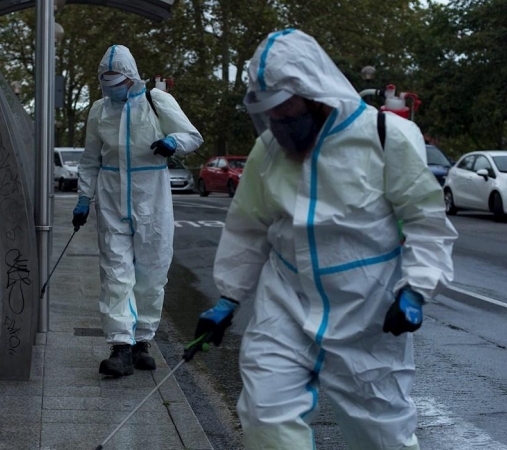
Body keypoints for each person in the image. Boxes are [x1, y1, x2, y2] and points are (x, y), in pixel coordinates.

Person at [193, 30, 457, 449]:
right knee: (265, 415)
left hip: (366, 312)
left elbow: (425, 219)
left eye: (286, 112)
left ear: (314, 95)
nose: (279, 125)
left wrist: (417, 289)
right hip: (287, 307)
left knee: (380, 436)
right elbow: (247, 226)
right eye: (270, 117)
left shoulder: (386, 137)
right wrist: (229, 296)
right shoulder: (268, 150)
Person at [75, 45, 203, 377]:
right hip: (113, 197)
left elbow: (191, 135)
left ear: (131, 78)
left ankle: (142, 340)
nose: (111, 87)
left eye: (116, 81)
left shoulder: (157, 101)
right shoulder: (99, 110)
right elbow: (90, 160)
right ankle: (120, 346)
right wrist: (83, 199)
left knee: (151, 273)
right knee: (116, 272)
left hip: (152, 197)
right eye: (106, 82)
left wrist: (172, 143)